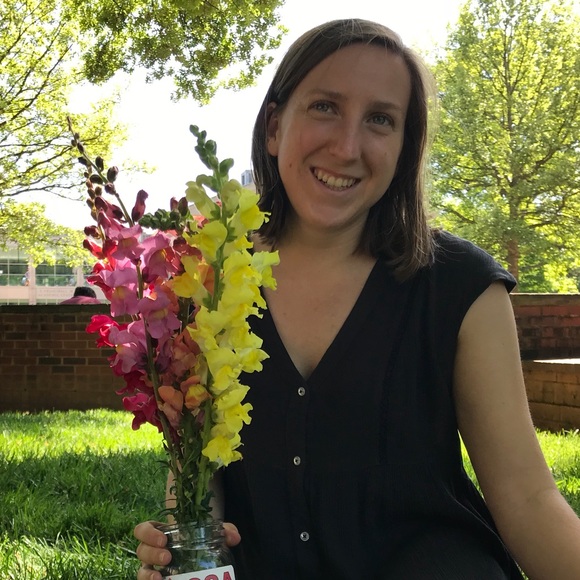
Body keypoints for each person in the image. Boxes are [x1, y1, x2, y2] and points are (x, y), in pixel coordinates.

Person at [135, 18, 580, 579]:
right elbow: (199, 476)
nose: (347, 147)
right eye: (324, 107)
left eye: (380, 119)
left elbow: (528, 498)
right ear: (273, 127)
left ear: (403, 148)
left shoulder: (463, 288)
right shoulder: (210, 276)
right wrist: (184, 551)